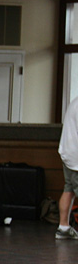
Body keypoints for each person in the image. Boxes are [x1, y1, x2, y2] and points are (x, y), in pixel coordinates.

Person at [56, 99, 78, 239]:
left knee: (69, 189)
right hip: (76, 157)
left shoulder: (75, 102)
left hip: (67, 153)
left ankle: (63, 227)